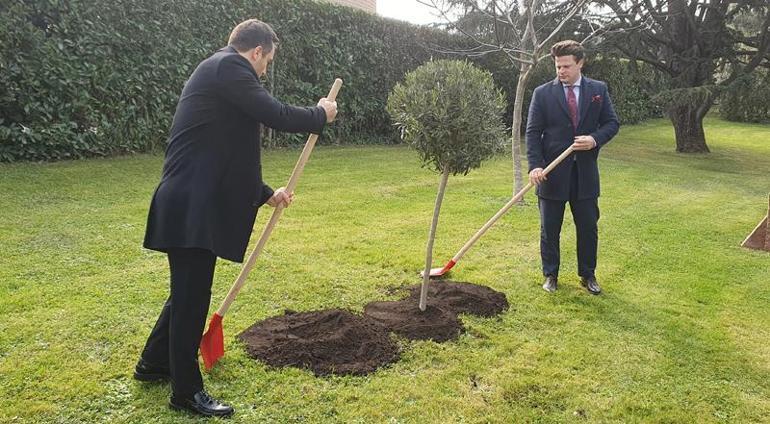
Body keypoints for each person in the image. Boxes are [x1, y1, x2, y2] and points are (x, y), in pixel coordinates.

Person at [134, 19, 338, 418]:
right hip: (193, 204)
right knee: (192, 299)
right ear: (257, 51)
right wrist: (320, 114)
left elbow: (226, 150)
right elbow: (275, 113)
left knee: (186, 293)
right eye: (267, 62)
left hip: (191, 200)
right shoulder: (229, 67)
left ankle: (153, 364)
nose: (264, 72)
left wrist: (266, 193)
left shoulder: (219, 75)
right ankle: (185, 393)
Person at [525, 40, 619, 295]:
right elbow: (533, 133)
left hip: (585, 174)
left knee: (588, 227)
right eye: (557, 66)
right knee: (550, 228)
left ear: (580, 63)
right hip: (552, 174)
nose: (561, 71)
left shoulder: (598, 89)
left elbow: (611, 123)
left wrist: (594, 139)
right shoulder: (542, 93)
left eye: (566, 66)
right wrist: (535, 166)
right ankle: (550, 275)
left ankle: (588, 274)